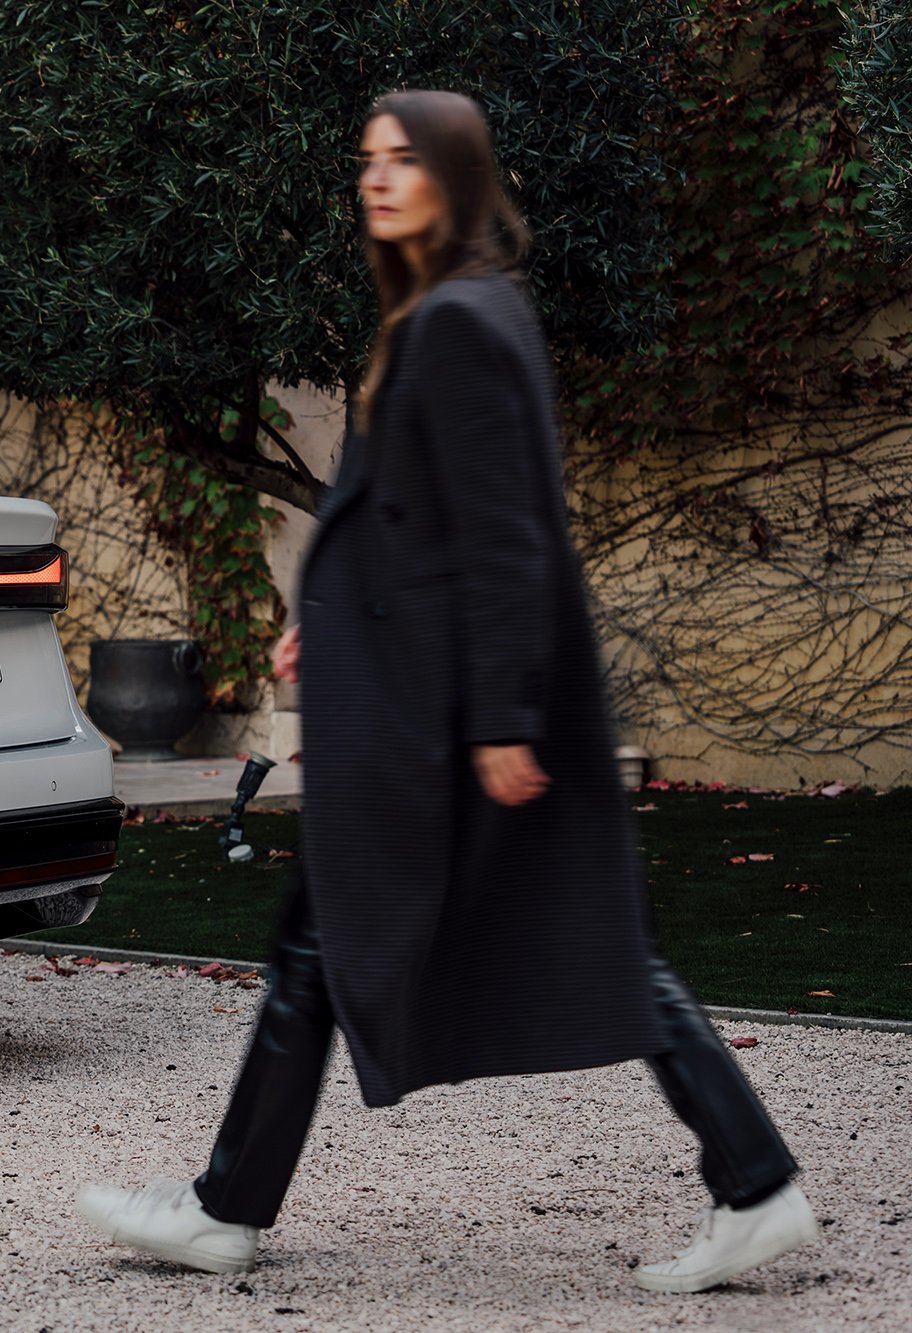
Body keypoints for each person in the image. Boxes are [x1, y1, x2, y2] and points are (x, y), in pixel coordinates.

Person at [77, 89, 817, 1295]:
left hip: (459, 715)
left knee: (570, 947)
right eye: (364, 158)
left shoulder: (463, 319)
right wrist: (327, 633)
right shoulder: (433, 311)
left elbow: (506, 535)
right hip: (422, 695)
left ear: (456, 176)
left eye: (402, 160)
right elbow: (409, 523)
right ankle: (228, 1203)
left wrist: (504, 719)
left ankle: (753, 1182)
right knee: (325, 940)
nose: (374, 178)